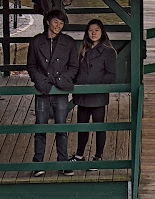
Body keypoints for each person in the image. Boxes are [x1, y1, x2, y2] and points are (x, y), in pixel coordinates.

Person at [27, 9, 77, 177]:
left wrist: (60, 81)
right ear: (48, 21)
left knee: (61, 127)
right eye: (56, 22)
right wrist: (43, 82)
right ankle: (38, 163)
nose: (58, 26)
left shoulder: (69, 42)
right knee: (40, 127)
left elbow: (73, 67)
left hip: (60, 91)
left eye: (61, 23)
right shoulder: (35, 42)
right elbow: (31, 67)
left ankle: (63, 163)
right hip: (43, 91)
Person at [70, 19, 117, 169]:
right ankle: (79, 155)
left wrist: (96, 86)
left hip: (97, 95)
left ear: (102, 32)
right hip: (83, 95)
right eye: (90, 30)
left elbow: (111, 75)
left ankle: (98, 157)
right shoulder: (82, 49)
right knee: (82, 126)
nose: (93, 33)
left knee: (99, 126)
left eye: (96, 30)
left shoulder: (108, 51)